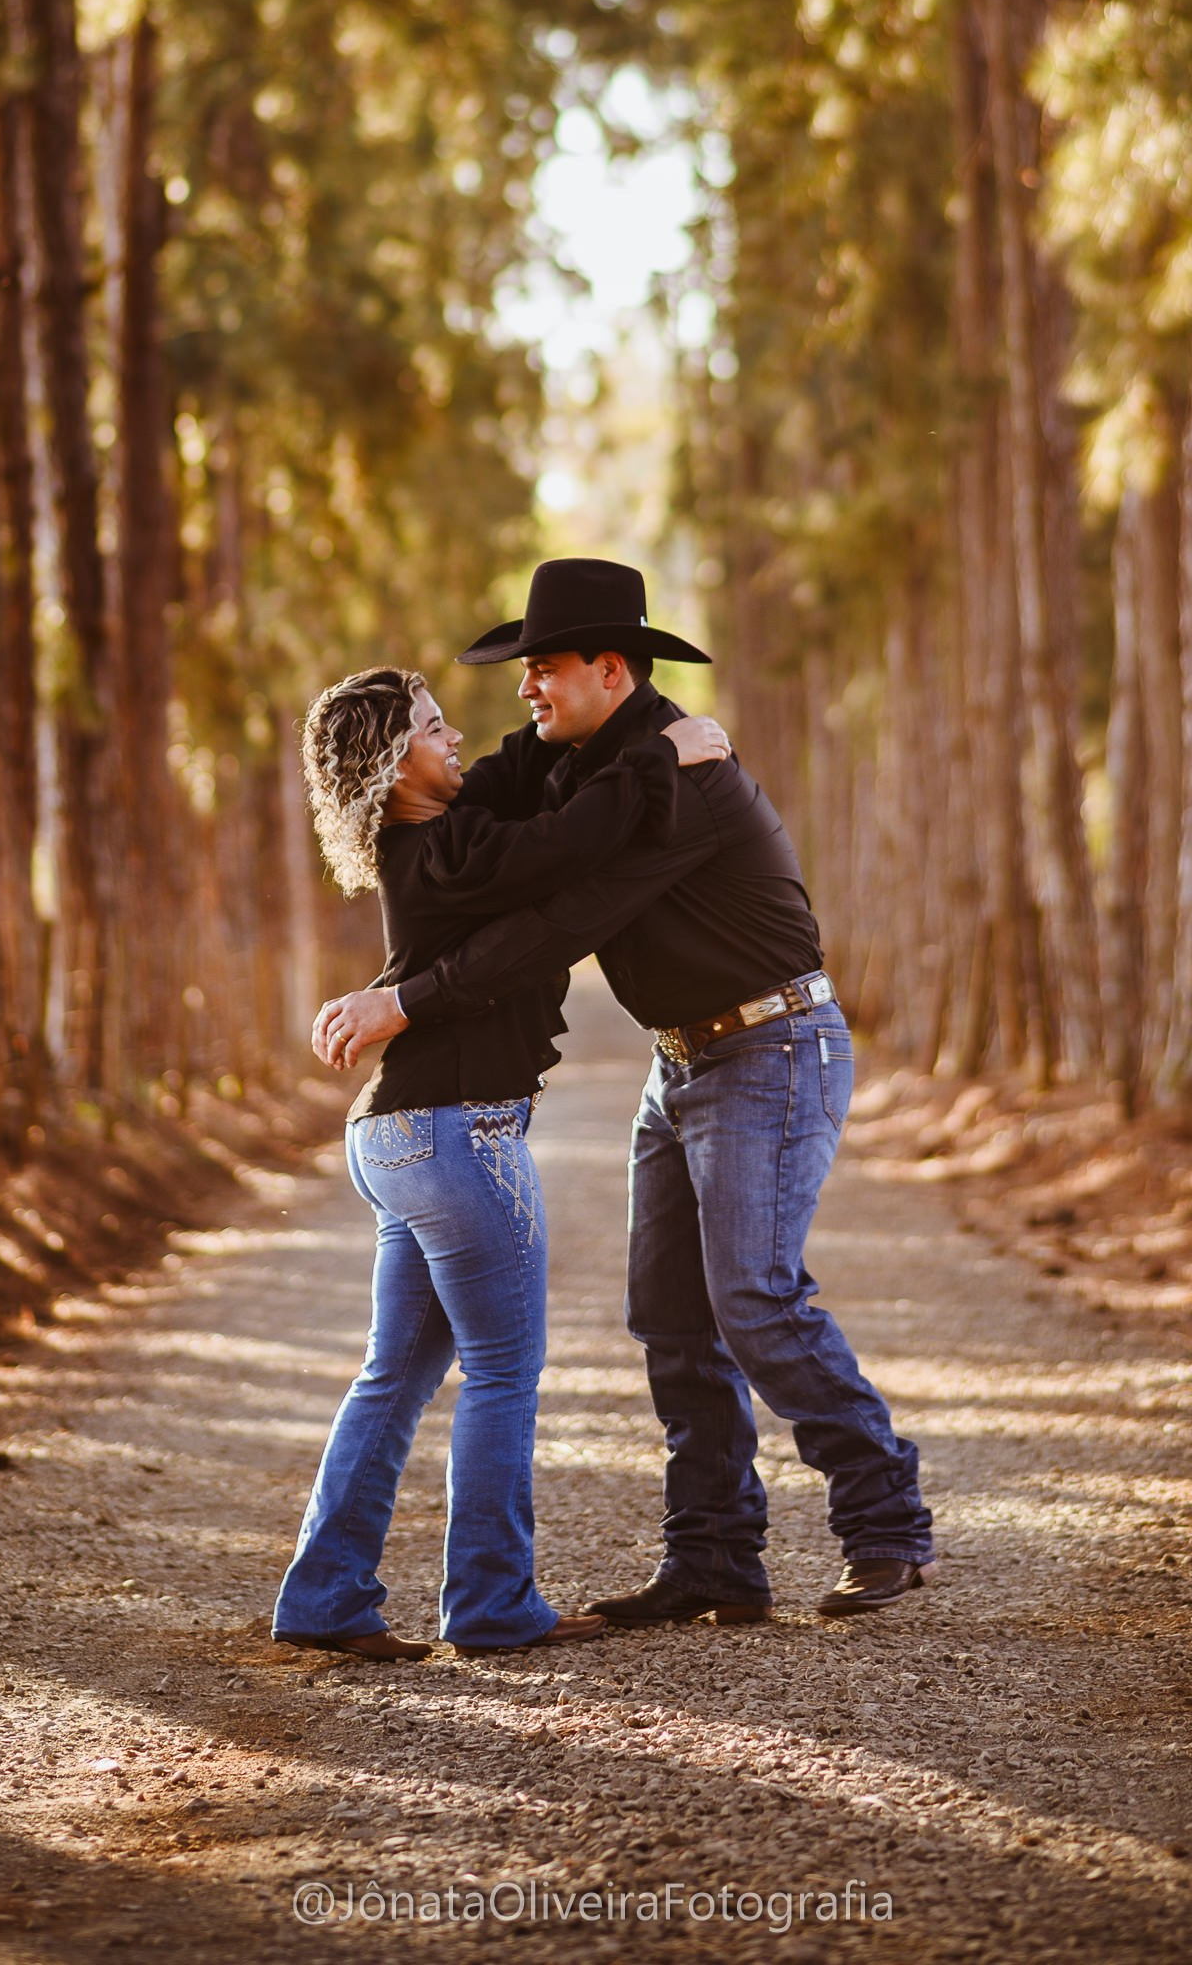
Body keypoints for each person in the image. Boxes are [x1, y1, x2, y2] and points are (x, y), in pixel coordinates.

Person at [315, 558, 936, 1627]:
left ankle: (883, 1522)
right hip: (682, 1058)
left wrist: (407, 1001)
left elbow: (559, 923)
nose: (525, 691)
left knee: (752, 1296)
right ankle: (713, 1558)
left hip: (772, 1046)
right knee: (669, 1319)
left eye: (543, 669)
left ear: (609, 669)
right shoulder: (587, 761)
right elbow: (487, 829)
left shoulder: (679, 779)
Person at [271, 659, 731, 1661]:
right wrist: (661, 752)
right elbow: (565, 844)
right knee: (500, 1373)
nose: (455, 741)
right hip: (457, 1134)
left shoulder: (441, 838)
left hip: (400, 1136)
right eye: (432, 730)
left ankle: (324, 1598)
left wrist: (591, 720)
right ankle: (489, 1603)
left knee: (393, 1375)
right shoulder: (442, 850)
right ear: (394, 766)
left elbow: (523, 779)